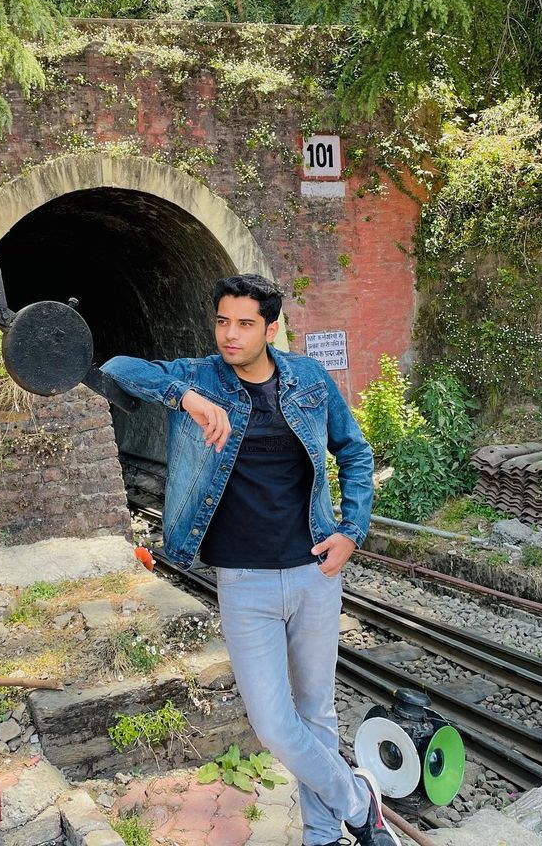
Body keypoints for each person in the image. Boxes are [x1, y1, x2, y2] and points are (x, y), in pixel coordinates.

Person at [101, 273, 399, 846]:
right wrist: (182, 396)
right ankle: (360, 804)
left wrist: (351, 532)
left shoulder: (308, 379)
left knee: (316, 713)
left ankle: (323, 834)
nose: (230, 335)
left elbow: (355, 452)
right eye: (222, 321)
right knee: (273, 724)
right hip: (244, 582)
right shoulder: (199, 376)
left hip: (315, 571)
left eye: (244, 323)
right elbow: (115, 369)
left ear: (270, 326)